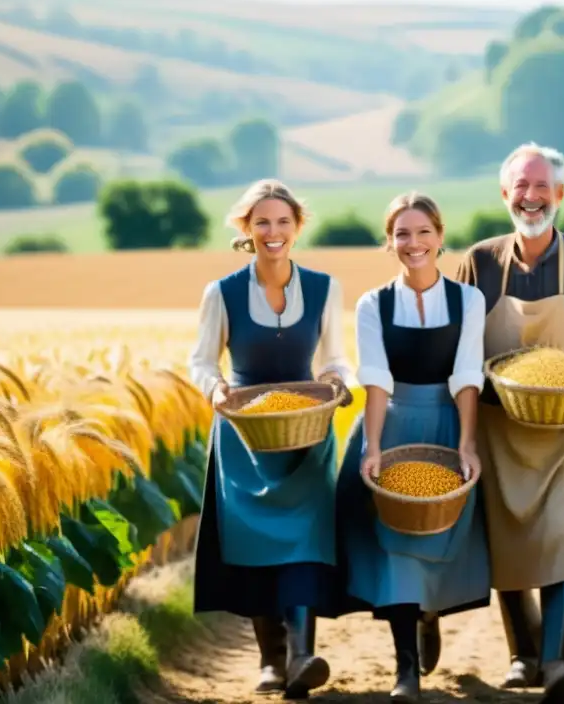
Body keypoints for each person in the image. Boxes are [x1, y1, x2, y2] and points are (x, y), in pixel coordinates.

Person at [455, 144, 564, 703]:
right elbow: (461, 344)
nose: (530, 197)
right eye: (519, 187)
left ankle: (557, 661)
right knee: (508, 540)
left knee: (563, 537)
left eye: (540, 187)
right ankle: (520, 655)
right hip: (499, 427)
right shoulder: (479, 261)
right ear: (505, 195)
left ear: (559, 194)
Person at [187, 179, 354, 699]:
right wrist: (214, 388)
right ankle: (270, 659)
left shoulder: (326, 288)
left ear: (297, 226)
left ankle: (303, 655)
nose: (273, 231)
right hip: (244, 433)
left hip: (306, 431)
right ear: (246, 229)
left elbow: (333, 357)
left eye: (282, 221)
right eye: (262, 222)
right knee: (254, 543)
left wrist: (337, 382)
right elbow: (200, 360)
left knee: (305, 541)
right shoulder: (222, 292)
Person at [336, 192, 491, 703]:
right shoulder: (372, 304)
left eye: (423, 232)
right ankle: (405, 667)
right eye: (402, 233)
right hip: (395, 423)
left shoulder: (467, 300)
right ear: (390, 242)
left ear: (441, 237)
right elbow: (376, 380)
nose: (413, 242)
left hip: (447, 424)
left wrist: (468, 444)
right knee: (394, 545)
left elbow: (468, 375)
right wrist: (372, 447)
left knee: (437, 537)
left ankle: (429, 615)